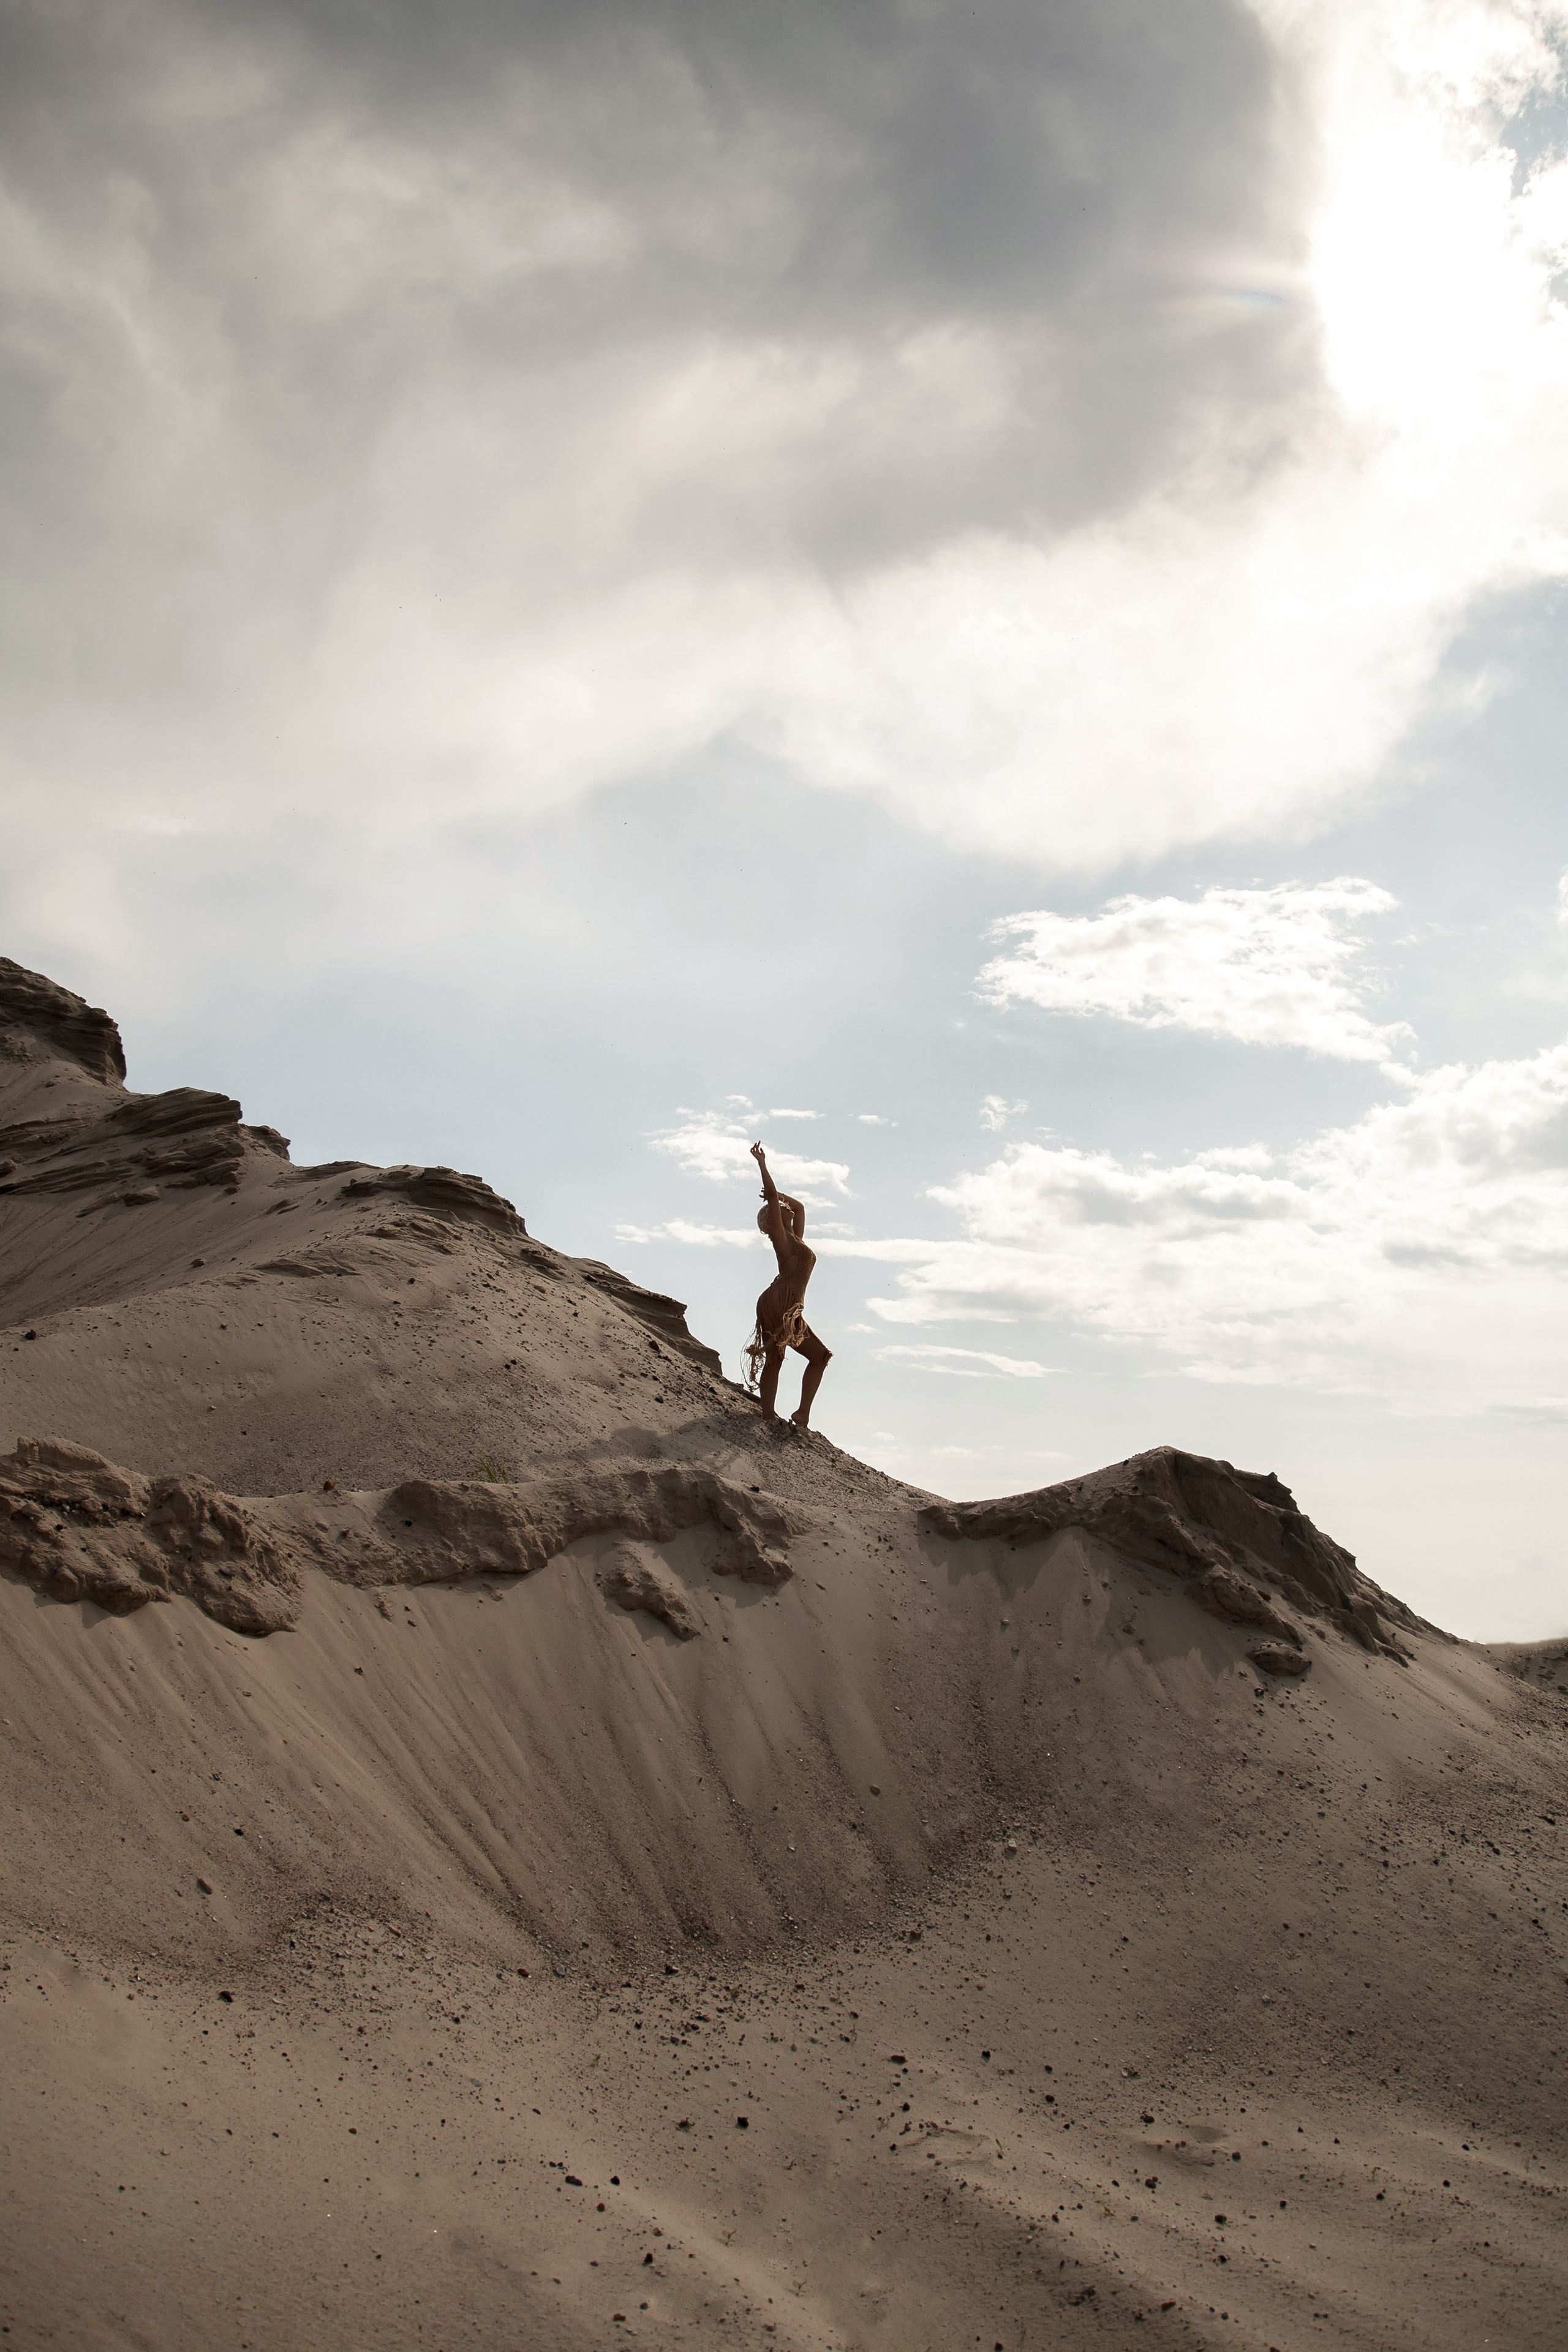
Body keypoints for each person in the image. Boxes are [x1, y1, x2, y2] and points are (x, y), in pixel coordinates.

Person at [744, 1140, 832, 1428]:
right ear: (775, 1219)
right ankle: (781, 1416)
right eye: (780, 1207)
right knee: (804, 1356)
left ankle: (789, 1415)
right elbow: (771, 1198)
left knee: (789, 1357)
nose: (786, 1207)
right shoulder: (781, 1240)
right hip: (781, 1301)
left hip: (784, 1301)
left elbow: (801, 1207)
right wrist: (762, 1164)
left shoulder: (796, 1241)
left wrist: (781, 1196)